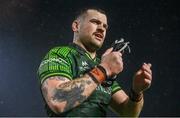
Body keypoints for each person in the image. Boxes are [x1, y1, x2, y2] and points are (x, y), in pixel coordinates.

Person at [37, 7, 152, 117]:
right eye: (95, 22)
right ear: (76, 26)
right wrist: (104, 69)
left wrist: (136, 91)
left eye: (105, 26)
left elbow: (128, 114)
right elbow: (58, 100)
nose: (102, 28)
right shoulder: (60, 53)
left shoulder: (101, 64)